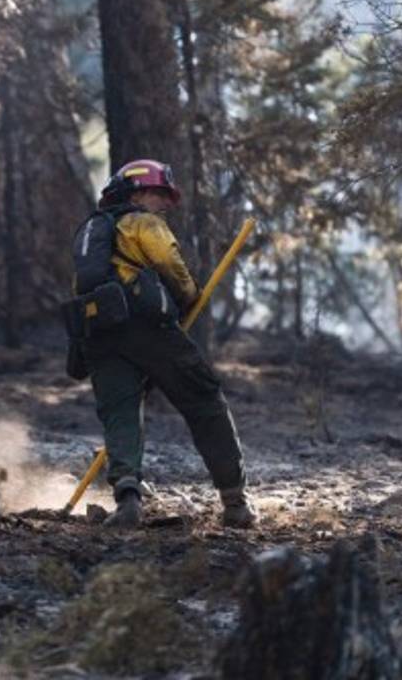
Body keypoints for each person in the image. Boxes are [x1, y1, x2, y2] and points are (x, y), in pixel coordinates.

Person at [80, 159, 255, 529]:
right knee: (205, 400)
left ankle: (128, 498)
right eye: (160, 194)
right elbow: (173, 269)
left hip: (100, 336)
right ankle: (235, 502)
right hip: (149, 329)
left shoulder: (92, 232)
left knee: (120, 414)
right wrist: (188, 296)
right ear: (138, 192)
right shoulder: (142, 223)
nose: (166, 204)